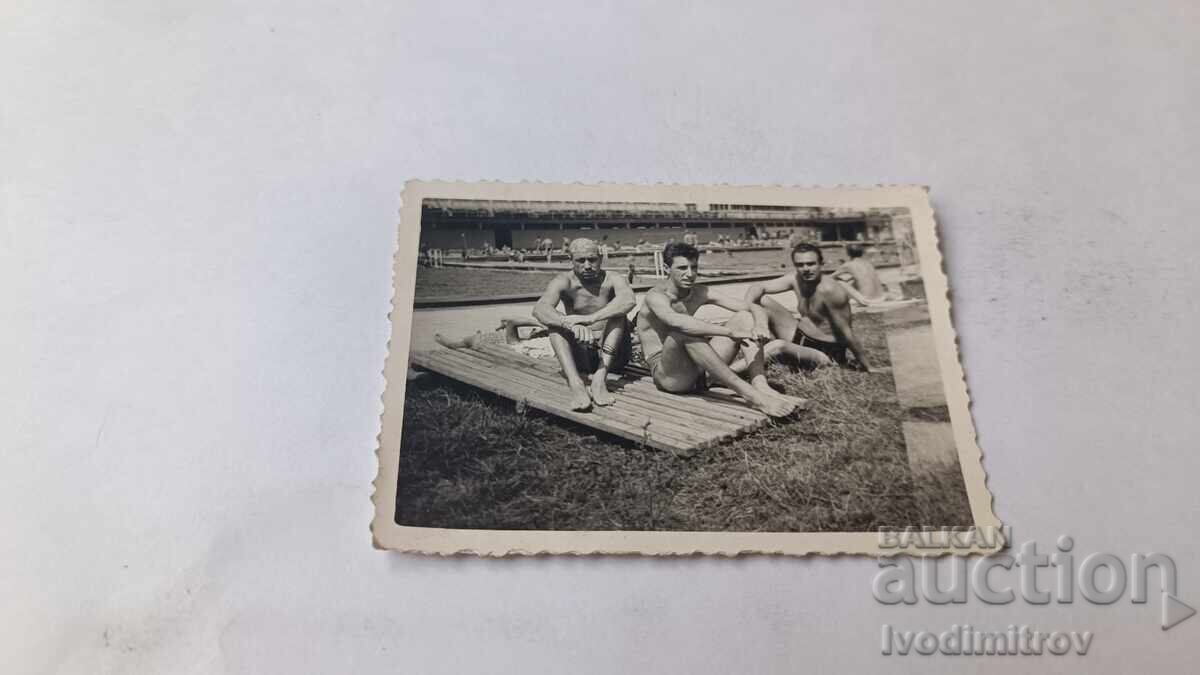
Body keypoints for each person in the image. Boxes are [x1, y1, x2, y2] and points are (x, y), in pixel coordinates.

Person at [636, 243, 801, 418]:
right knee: (683, 332)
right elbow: (678, 322)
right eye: (682, 268)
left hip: (698, 369)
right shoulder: (656, 296)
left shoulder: (700, 292)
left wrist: (760, 324)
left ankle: (759, 382)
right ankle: (753, 397)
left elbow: (751, 306)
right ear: (666, 268)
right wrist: (730, 333)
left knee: (744, 317)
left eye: (694, 267)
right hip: (670, 376)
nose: (690, 274)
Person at [532, 238, 636, 411]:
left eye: (592, 260)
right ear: (571, 260)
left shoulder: (612, 279)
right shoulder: (564, 281)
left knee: (618, 316)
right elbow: (540, 309)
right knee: (555, 326)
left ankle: (599, 379)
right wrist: (570, 324)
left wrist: (590, 319)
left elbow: (628, 300)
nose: (587, 265)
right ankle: (576, 384)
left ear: (600, 258)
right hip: (581, 355)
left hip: (612, 355)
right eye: (581, 260)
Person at [747, 242, 873, 371]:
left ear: (821, 264)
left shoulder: (830, 290)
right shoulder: (796, 279)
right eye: (800, 265)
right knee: (762, 301)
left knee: (778, 345)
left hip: (826, 351)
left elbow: (847, 333)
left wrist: (868, 367)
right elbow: (758, 287)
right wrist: (759, 320)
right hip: (799, 335)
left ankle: (730, 373)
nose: (806, 269)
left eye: (811, 264)